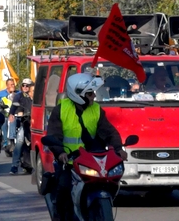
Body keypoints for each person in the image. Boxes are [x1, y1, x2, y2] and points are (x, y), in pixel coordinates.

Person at [46, 73, 126, 220]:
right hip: (69, 162)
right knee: (63, 188)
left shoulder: (96, 109)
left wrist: (119, 148)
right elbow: (54, 134)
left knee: (110, 181)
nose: (94, 96)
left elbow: (109, 131)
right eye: (90, 93)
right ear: (78, 94)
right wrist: (60, 152)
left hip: (93, 160)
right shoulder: (61, 110)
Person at [9, 78, 34, 175]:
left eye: (27, 86)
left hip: (36, 122)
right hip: (25, 121)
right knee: (19, 140)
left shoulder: (36, 96)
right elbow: (14, 106)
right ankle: (14, 166)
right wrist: (12, 114)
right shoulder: (19, 96)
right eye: (23, 85)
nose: (25, 87)